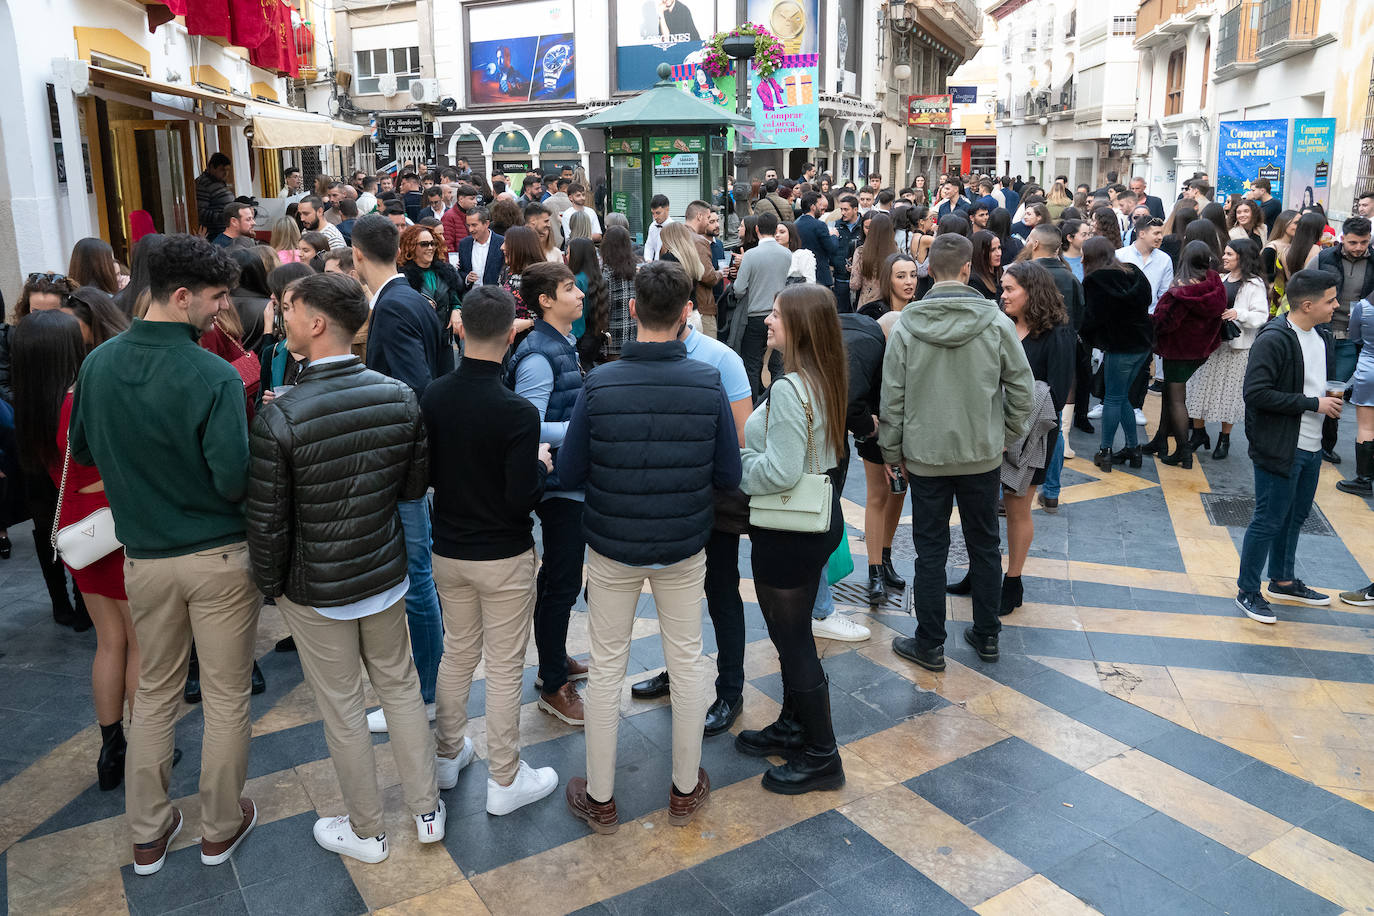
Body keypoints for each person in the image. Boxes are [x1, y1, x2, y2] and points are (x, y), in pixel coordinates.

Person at [70, 234, 259, 876]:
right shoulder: (213, 375)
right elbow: (234, 480)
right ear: (180, 296)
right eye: (214, 298)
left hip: (143, 559)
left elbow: (87, 455)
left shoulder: (96, 367)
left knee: (153, 692)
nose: (221, 309)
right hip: (220, 559)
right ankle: (219, 827)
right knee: (228, 694)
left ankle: (148, 833)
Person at [244, 272, 444, 863]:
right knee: (401, 688)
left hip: (318, 586)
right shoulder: (397, 395)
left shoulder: (280, 416)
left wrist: (272, 586)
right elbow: (412, 488)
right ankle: (427, 813)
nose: (281, 317)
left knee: (343, 708)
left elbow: (269, 522)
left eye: (289, 308)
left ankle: (366, 830)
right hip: (383, 572)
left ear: (316, 322)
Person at [559, 260, 739, 830]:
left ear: (633, 311)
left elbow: (569, 470)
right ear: (687, 312)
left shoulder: (600, 383)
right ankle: (685, 787)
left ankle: (603, 795)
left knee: (608, 666)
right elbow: (729, 475)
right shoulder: (708, 382)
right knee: (686, 661)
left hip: (612, 545)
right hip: (684, 544)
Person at [423, 285, 561, 814]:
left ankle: (448, 754)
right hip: (502, 555)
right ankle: (505, 779)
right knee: (504, 668)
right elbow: (519, 497)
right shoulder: (516, 412)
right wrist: (543, 466)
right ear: (511, 334)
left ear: (461, 329)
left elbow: (429, 472)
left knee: (458, 653)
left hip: (449, 549)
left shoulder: (434, 394)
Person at [883, 234, 1034, 670]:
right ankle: (987, 635)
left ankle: (929, 642)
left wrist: (893, 452)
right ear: (968, 269)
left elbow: (892, 398)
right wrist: (1005, 432)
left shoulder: (907, 324)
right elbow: (1022, 389)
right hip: (981, 454)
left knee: (929, 551)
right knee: (984, 545)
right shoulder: (996, 322)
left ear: (929, 268)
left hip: (925, 456)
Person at [12, 310, 136, 790]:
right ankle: (146, 745)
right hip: (111, 528)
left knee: (108, 644)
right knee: (138, 645)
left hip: (75, 534)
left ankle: (112, 750)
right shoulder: (78, 402)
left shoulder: (31, 404)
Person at [733, 285, 847, 795]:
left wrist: (736, 464)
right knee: (791, 635)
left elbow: (778, 472)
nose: (768, 320)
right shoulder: (821, 377)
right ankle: (794, 725)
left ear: (799, 326)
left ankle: (823, 755)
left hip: (788, 530)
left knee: (793, 637)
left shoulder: (788, 389)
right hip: (817, 521)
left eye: (777, 314)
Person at [351, 214, 446, 733]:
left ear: (359, 255)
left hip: (405, 460)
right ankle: (427, 688)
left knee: (416, 577)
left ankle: (426, 693)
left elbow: (415, 386)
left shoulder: (393, 306)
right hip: (414, 457)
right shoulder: (409, 298)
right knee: (418, 574)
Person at [506, 262, 590, 726]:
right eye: (569, 288)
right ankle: (554, 680)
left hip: (566, 478)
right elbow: (527, 421)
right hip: (556, 486)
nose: (579, 294)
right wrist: (581, 426)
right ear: (545, 301)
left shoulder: (559, 343)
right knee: (561, 581)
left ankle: (553, 662)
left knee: (560, 579)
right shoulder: (539, 354)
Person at [1235, 269, 1342, 623]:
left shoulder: (1321, 335)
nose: (1336, 305)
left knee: (1294, 517)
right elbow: (1256, 393)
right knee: (1268, 519)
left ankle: (1282, 580)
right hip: (1280, 447)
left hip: (1311, 447)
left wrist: (1324, 398)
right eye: (1330, 300)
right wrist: (1314, 404)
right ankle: (1247, 590)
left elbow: (1310, 382)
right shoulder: (1274, 338)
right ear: (1307, 304)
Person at [998, 261, 1075, 612]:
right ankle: (980, 572)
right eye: (1003, 287)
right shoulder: (1001, 325)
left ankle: (1013, 581)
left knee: (1017, 507)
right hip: (989, 432)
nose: (1003, 294)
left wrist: (1013, 428)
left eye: (1010, 288)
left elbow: (1055, 394)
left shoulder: (1056, 333)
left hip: (1032, 436)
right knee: (981, 507)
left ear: (1032, 291)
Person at [855, 253, 919, 606]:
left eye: (913, 275)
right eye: (900, 276)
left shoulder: (923, 313)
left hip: (912, 419)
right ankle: (874, 569)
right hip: (878, 419)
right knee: (878, 492)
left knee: (900, 490)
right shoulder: (870, 315)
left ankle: (887, 556)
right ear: (886, 279)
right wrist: (863, 417)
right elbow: (861, 369)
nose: (908, 282)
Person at [1185, 239, 1271, 461]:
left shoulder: (1255, 284)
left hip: (1237, 348)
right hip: (1212, 343)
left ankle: (1224, 438)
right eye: (1225, 253)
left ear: (1242, 257)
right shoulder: (1220, 279)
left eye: (1229, 254)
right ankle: (1198, 432)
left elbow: (1261, 316)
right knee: (1199, 388)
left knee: (1230, 394)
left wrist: (1238, 313)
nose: (1224, 257)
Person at [1145, 241, 1228, 467]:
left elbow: (1166, 323)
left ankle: (1183, 450)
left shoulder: (1180, 291)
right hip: (1201, 349)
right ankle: (1160, 440)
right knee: (1171, 397)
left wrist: (1150, 322)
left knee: (1176, 399)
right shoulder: (1214, 281)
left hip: (1178, 349)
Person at [1079, 238, 1154, 470]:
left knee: (1112, 398)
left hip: (1120, 346)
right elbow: (1148, 300)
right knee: (1122, 398)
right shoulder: (1133, 271)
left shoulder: (1094, 280)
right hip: (1143, 344)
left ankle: (1106, 451)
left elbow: (1092, 317)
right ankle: (1133, 448)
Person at [1316, 216, 1373, 465]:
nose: (1358, 247)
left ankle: (1326, 444)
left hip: (1352, 339)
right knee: (1314, 388)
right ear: (1343, 238)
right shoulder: (1324, 257)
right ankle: (1309, 439)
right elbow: (1306, 285)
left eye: (1364, 241)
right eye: (1353, 242)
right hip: (1322, 332)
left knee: (1334, 390)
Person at [730, 210, 792, 397]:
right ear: (775, 230)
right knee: (778, 362)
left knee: (752, 363)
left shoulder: (751, 255)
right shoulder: (787, 254)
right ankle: (776, 398)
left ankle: (752, 404)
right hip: (780, 315)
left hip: (755, 316)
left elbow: (739, 288)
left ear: (756, 229)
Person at [398, 225, 460, 374]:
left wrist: (456, 310)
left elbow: (455, 299)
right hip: (418, 344)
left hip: (443, 342)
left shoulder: (445, 272)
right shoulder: (402, 276)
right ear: (411, 247)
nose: (430, 248)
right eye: (424, 244)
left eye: (432, 243)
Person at [1337, 291, 1374, 495]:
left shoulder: (1364, 307)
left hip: (1369, 370)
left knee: (1367, 428)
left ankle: (1364, 479)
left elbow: (1355, 337)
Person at [849, 212, 897, 312]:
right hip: (890, 303)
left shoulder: (861, 252)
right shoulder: (896, 251)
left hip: (866, 304)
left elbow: (854, 284)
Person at [196, 153, 235, 239]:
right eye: (222, 170)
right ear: (212, 167)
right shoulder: (203, 184)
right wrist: (223, 217)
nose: (226, 173)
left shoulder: (219, 182)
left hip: (226, 231)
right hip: (215, 235)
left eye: (227, 170)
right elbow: (200, 212)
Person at [968, 229, 1003, 300]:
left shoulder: (999, 272)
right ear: (981, 253)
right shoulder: (974, 282)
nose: (998, 253)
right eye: (992, 250)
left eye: (999, 248)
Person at [643, 194, 673, 261]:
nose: (655, 217)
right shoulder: (652, 226)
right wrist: (648, 259)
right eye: (653, 213)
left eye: (658, 213)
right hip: (654, 267)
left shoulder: (674, 229)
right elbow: (649, 246)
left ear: (667, 209)